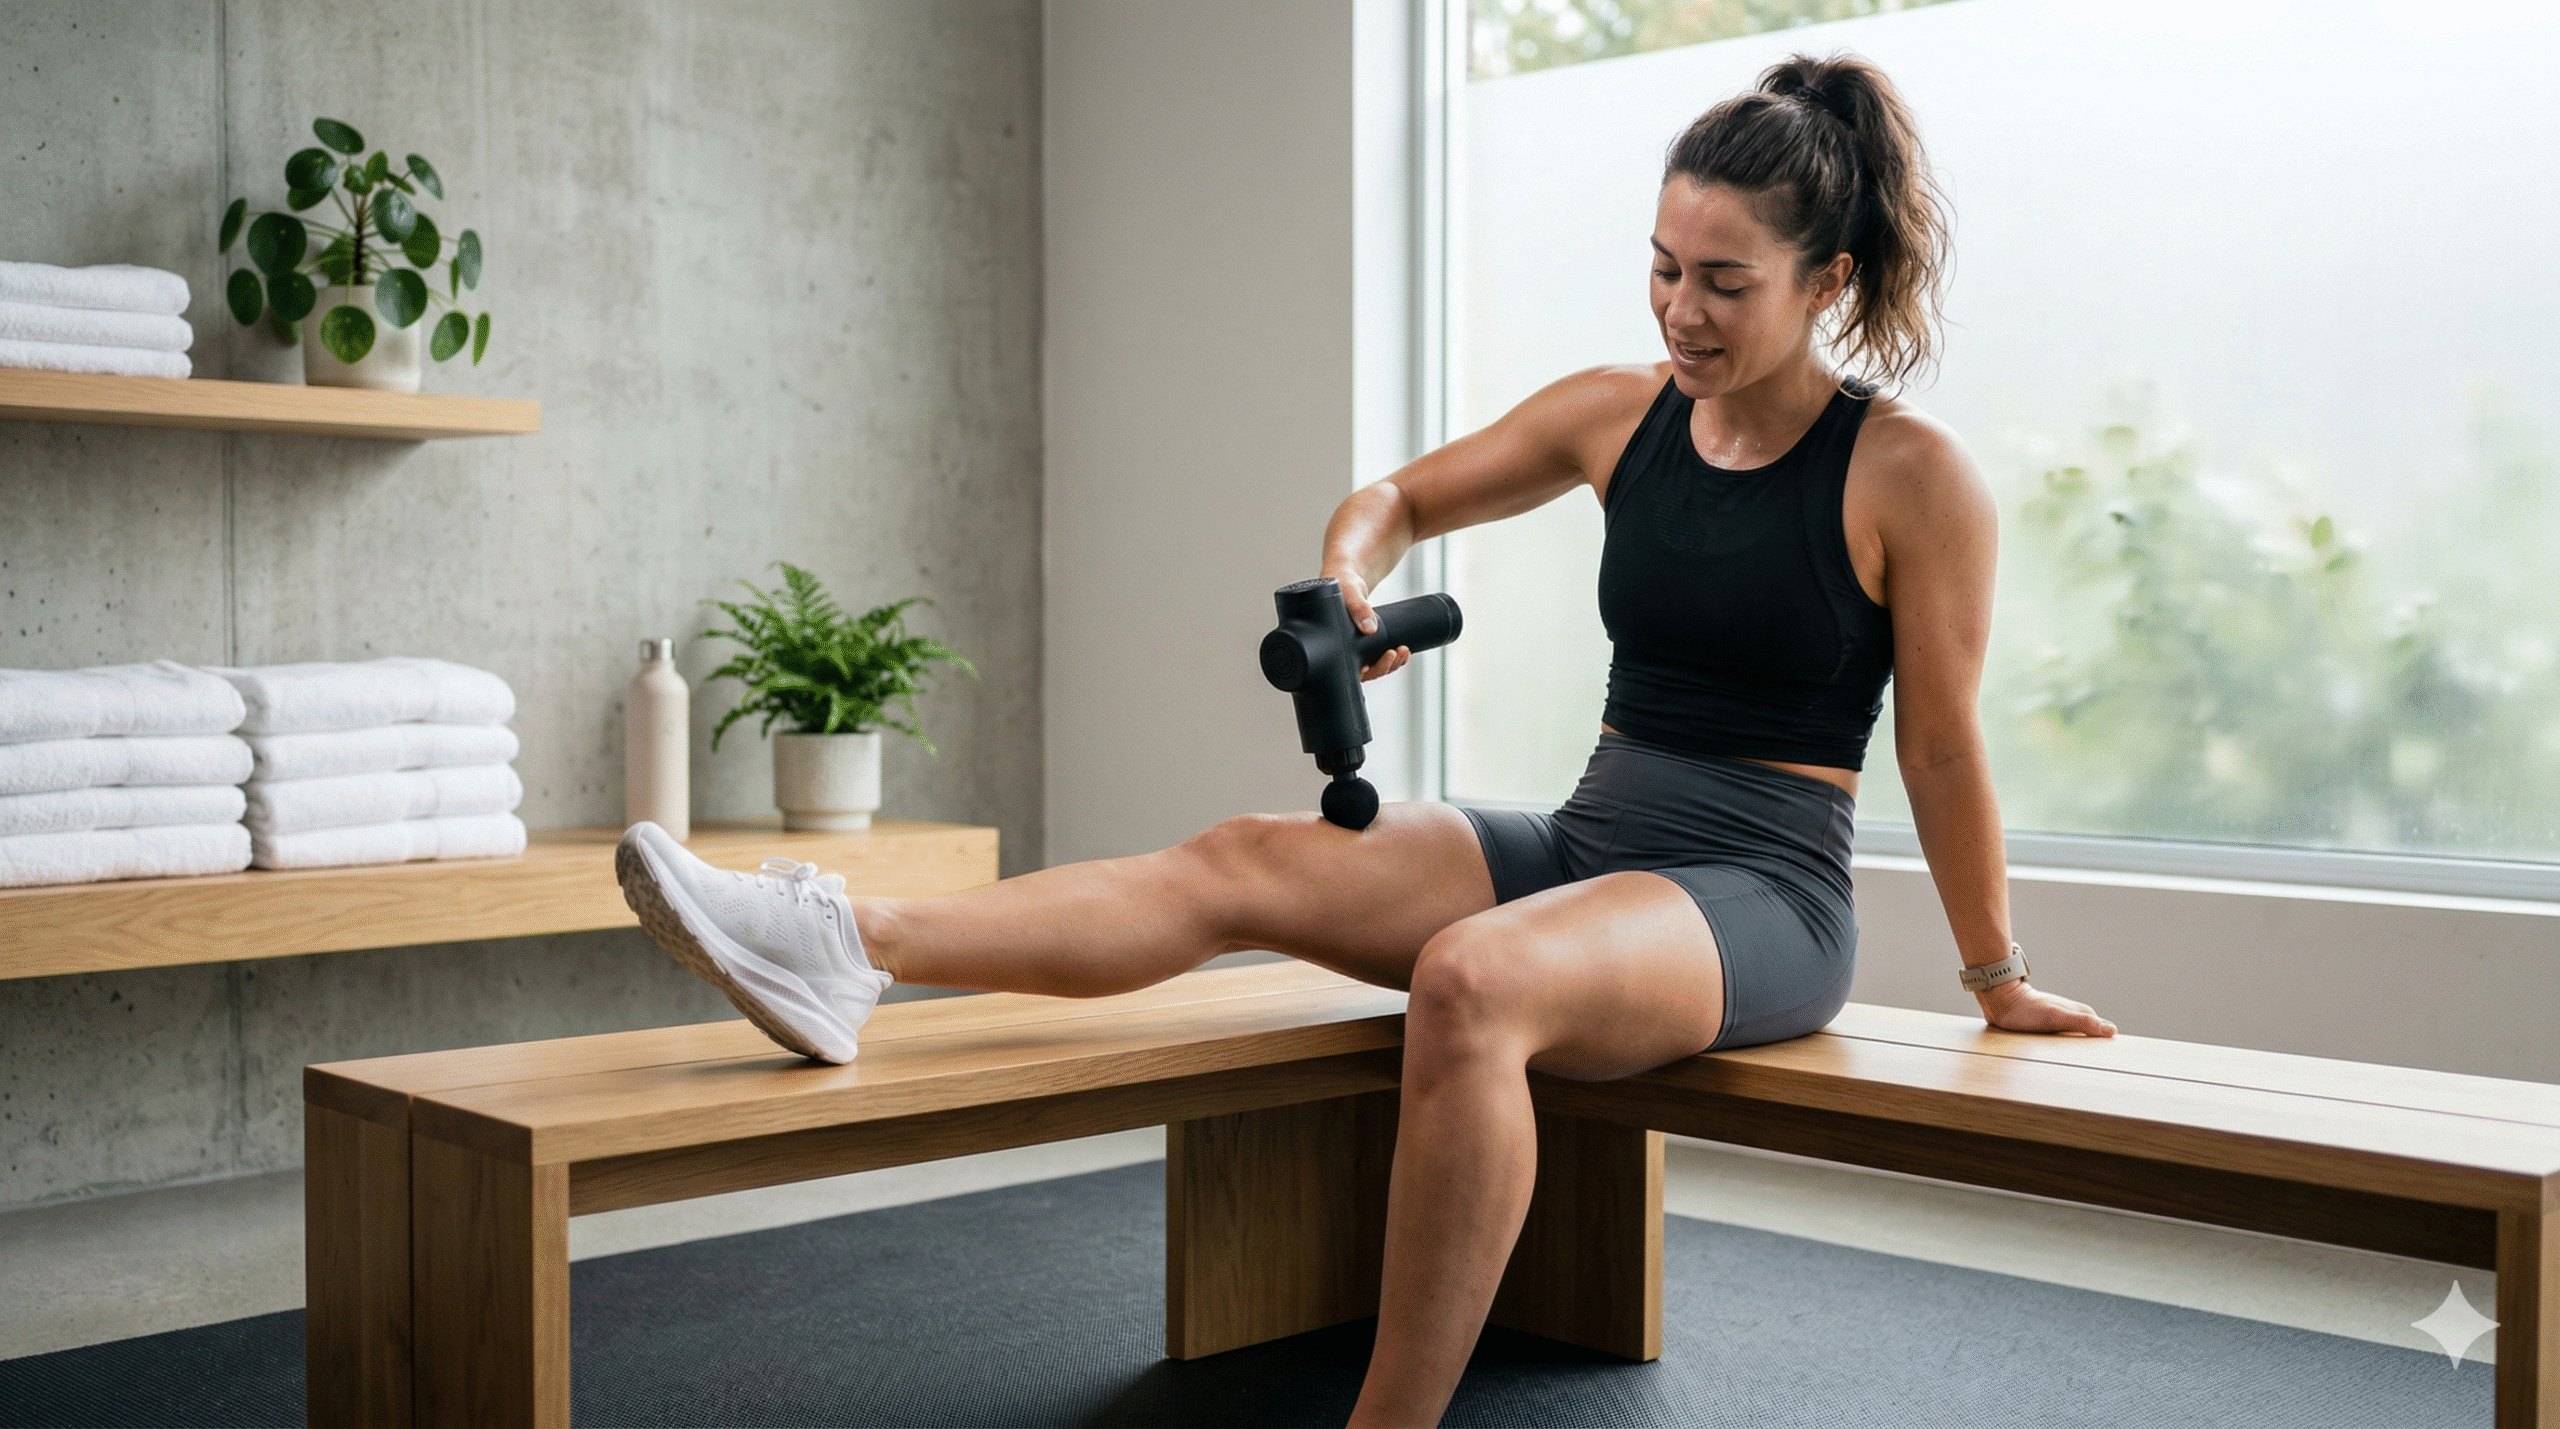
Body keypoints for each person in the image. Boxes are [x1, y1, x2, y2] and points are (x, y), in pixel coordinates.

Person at [616, 51, 2117, 1429]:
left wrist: (1997, 979)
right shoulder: (1620, 415)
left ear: (1829, 279)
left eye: (1727, 283)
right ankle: (846, 945)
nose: (1680, 311)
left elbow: (1940, 750)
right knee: (1240, 857)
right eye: (1664, 268)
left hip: (1762, 896)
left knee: (1476, 977)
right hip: (1598, 843)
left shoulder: (1909, 474)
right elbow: (1395, 499)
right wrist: (1350, 577)